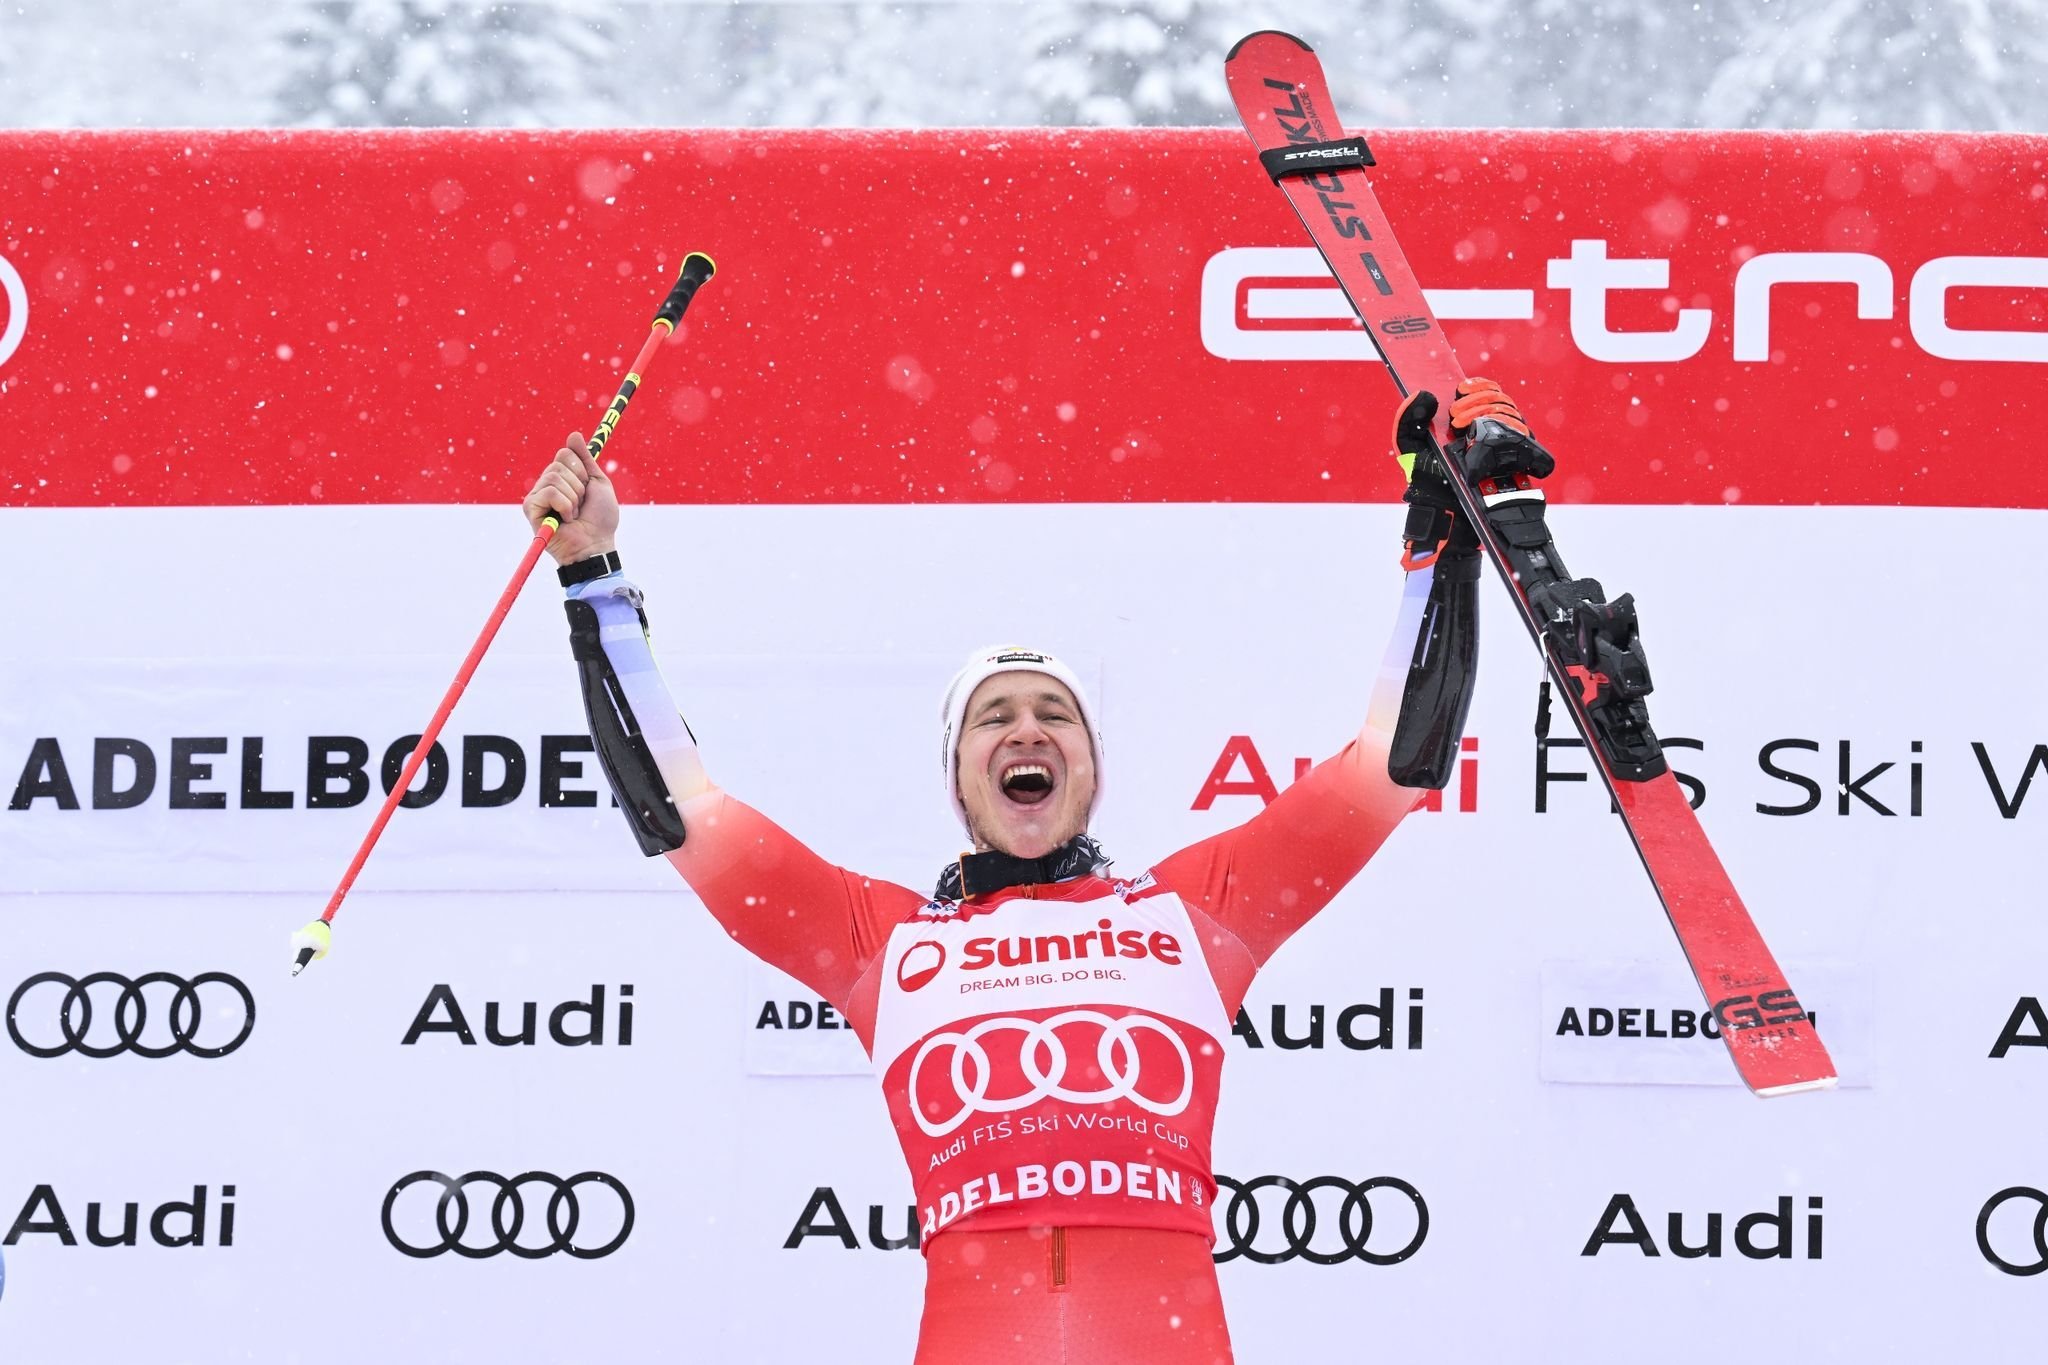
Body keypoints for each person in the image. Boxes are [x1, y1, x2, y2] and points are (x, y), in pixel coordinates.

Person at [520, 379, 1540, 1365]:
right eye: (993, 718)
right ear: (958, 774)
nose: (1027, 731)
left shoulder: (1195, 913)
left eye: (1055, 715)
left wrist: (1437, 543)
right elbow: (680, 810)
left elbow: (1391, 765)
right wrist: (591, 576)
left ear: (1090, 769)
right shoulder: (882, 943)